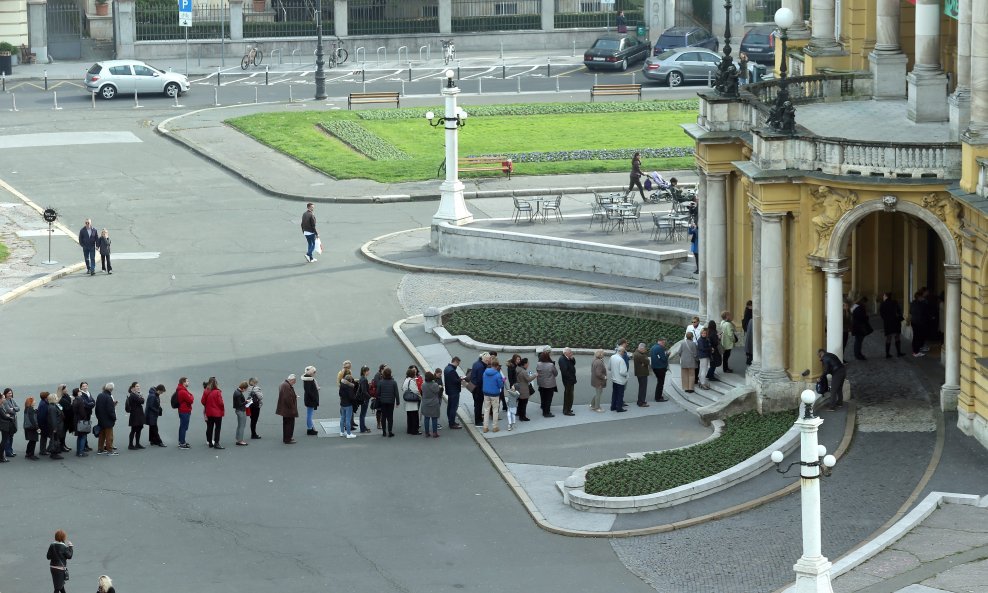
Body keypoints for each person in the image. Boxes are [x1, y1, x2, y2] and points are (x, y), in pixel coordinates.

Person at [201, 376, 225, 449]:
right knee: (217, 428)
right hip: (217, 413)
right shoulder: (217, 392)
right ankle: (216, 443)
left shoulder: (206, 391)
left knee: (209, 427)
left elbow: (202, 401)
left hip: (209, 412)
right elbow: (221, 403)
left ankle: (210, 442)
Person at [879, 291, 905, 358]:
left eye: (884, 296)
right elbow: (899, 311)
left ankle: (887, 354)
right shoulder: (895, 302)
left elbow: (881, 314)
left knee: (888, 338)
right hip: (896, 322)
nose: (883, 297)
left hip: (888, 323)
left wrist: (886, 319)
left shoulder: (883, 304)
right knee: (897, 337)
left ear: (886, 296)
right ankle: (898, 353)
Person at [482, 361, 504, 433]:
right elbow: (500, 385)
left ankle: (485, 427)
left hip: (486, 393)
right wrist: (503, 381)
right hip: (494, 394)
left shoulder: (485, 372)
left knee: (486, 410)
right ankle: (495, 427)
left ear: (491, 365)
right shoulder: (497, 374)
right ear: (497, 366)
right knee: (495, 410)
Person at [376, 367, 398, 438]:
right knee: (390, 416)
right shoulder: (393, 382)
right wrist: (397, 402)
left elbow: (378, 393)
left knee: (383, 416)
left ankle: (384, 432)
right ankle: (390, 431)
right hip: (391, 401)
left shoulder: (381, 382)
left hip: (383, 401)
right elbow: (396, 393)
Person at [535, 349, 558, 418]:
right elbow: (556, 373)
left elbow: (537, 370)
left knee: (543, 397)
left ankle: (543, 406)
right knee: (548, 399)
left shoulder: (538, 364)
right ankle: (546, 412)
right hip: (549, 384)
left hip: (541, 383)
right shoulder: (551, 365)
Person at [276, 374, 299, 444]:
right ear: (291, 380)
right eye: (294, 382)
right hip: (288, 410)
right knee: (289, 424)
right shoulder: (286, 386)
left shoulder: (284, 384)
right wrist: (292, 407)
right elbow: (287, 398)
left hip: (285, 409)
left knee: (286, 424)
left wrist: (294, 396)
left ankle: (287, 437)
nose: (294, 383)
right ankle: (288, 439)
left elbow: (287, 395)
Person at [442, 357, 464, 430]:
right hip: (454, 391)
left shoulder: (446, 368)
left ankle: (451, 421)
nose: (458, 365)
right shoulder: (452, 371)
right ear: (455, 362)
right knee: (453, 407)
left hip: (449, 390)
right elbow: (455, 381)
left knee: (450, 406)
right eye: (458, 363)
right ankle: (452, 423)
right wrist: (460, 379)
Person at [469, 353, 490, 427]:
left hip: (474, 387)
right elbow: (481, 380)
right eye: (488, 360)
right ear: (486, 360)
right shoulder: (481, 367)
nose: (489, 361)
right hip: (479, 389)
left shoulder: (476, 363)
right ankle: (478, 421)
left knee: (477, 404)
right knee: (478, 405)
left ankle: (479, 418)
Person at [421, 371, 443, 438]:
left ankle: (427, 433)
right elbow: (437, 391)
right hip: (434, 403)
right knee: (434, 418)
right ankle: (434, 433)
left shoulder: (423, 385)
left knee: (426, 418)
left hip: (425, 403)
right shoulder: (435, 385)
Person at [125, 381, 146, 450]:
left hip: (139, 415)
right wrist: (141, 397)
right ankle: (130, 445)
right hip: (135, 415)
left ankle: (137, 444)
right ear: (133, 388)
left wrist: (140, 396)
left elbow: (141, 401)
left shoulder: (136, 395)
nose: (138, 387)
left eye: (139, 386)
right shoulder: (133, 395)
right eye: (137, 386)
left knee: (139, 429)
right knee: (133, 430)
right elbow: (141, 401)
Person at [850, 296, 872, 360]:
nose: (866, 304)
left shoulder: (854, 306)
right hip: (860, 327)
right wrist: (867, 317)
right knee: (858, 341)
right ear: (863, 302)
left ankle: (857, 354)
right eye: (866, 302)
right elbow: (863, 318)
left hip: (856, 326)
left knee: (857, 341)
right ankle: (858, 355)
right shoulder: (860, 308)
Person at [401, 368, 422, 435]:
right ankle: (415, 430)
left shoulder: (406, 380)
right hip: (412, 402)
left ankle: (409, 429)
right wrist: (420, 396)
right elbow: (415, 391)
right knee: (415, 416)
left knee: (409, 416)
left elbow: (403, 388)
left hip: (407, 401)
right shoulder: (411, 381)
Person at [608, 346, 629, 412]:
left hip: (614, 379)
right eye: (623, 352)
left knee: (614, 393)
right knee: (620, 395)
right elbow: (622, 372)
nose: (624, 353)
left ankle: (613, 406)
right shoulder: (621, 360)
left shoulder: (612, 357)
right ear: (621, 351)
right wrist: (627, 374)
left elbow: (609, 368)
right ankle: (619, 408)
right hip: (620, 380)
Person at [175, 377, 194, 449]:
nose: (188, 382)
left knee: (182, 427)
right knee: (184, 427)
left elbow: (190, 397)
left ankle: (181, 441)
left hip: (182, 411)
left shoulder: (181, 390)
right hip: (185, 411)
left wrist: (190, 395)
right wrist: (191, 396)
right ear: (183, 382)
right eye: (187, 381)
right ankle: (182, 443)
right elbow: (191, 400)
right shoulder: (183, 391)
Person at [558, 348, 577, 416]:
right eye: (570, 353)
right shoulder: (562, 359)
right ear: (565, 353)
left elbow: (573, 364)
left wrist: (572, 359)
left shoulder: (568, 358)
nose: (571, 354)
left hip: (571, 380)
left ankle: (568, 408)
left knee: (570, 395)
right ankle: (566, 410)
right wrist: (571, 378)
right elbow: (564, 371)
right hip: (568, 381)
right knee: (568, 395)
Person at [630, 343, 650, 407]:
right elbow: (647, 361)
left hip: (640, 373)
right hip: (642, 373)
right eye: (644, 349)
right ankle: (641, 402)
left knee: (641, 388)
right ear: (641, 348)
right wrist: (645, 360)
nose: (645, 350)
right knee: (643, 388)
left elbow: (645, 361)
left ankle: (640, 401)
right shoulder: (640, 355)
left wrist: (644, 362)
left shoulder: (636, 353)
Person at [0, 388, 18, 459]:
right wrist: (10, 417)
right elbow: (5, 414)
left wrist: (12, 409)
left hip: (7, 425)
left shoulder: (2, 405)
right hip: (4, 426)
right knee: (4, 441)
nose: (4, 399)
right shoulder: (1, 407)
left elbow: (17, 408)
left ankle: (5, 454)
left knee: (8, 439)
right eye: (3, 398)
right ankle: (2, 457)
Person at [71, 391, 90, 457]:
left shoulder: (75, 400)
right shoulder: (80, 400)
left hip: (76, 419)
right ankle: (81, 452)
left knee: (79, 436)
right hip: (81, 420)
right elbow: (82, 412)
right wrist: (85, 418)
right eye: (80, 391)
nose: (81, 392)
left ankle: (78, 451)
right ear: (78, 393)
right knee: (83, 436)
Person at [649, 338, 669, 402]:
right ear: (661, 342)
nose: (664, 344)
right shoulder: (660, 348)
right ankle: (658, 397)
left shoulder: (653, 347)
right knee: (660, 383)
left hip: (654, 367)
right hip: (660, 367)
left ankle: (658, 396)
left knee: (659, 382)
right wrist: (667, 355)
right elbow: (663, 359)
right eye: (664, 343)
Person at [301, 366, 320, 436]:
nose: (315, 373)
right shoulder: (309, 380)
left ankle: (310, 427)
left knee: (310, 414)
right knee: (310, 415)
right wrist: (314, 397)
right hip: (310, 400)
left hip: (309, 400)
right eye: (314, 372)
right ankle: (309, 429)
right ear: (311, 373)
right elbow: (309, 391)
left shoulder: (308, 379)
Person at [909, 291, 928, 357]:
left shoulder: (913, 303)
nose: (923, 297)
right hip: (919, 323)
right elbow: (923, 313)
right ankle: (916, 352)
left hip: (913, 322)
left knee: (915, 337)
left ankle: (915, 350)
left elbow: (910, 312)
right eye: (922, 297)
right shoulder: (921, 304)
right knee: (917, 337)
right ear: (919, 297)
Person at [339, 372, 357, 438]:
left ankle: (342, 432)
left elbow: (340, 394)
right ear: (350, 380)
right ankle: (349, 433)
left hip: (342, 404)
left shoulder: (342, 385)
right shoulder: (349, 387)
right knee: (348, 419)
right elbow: (352, 397)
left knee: (342, 418)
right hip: (348, 404)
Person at [47, 393, 65, 460]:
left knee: (55, 439)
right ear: (53, 399)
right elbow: (53, 419)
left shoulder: (53, 406)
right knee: (55, 440)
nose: (57, 398)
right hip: (56, 426)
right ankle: (54, 453)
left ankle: (54, 452)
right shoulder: (52, 407)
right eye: (56, 397)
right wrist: (54, 428)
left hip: (57, 425)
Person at [356, 366, 373, 433]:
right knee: (363, 414)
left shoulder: (362, 378)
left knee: (363, 414)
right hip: (365, 399)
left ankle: (363, 427)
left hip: (363, 398)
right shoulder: (364, 379)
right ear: (364, 372)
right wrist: (369, 396)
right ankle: (362, 428)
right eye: (368, 371)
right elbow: (364, 391)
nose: (369, 372)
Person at [232, 381, 249, 446]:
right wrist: (246, 402)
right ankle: (240, 440)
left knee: (240, 425)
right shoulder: (239, 394)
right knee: (242, 426)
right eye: (245, 389)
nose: (245, 390)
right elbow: (240, 404)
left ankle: (238, 438)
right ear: (243, 388)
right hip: (241, 411)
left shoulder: (237, 391)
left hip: (239, 410)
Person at [742, 300, 753, 365]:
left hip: (748, 329)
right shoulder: (749, 312)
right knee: (750, 344)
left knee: (749, 345)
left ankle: (749, 359)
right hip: (749, 330)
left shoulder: (747, 311)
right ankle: (749, 359)